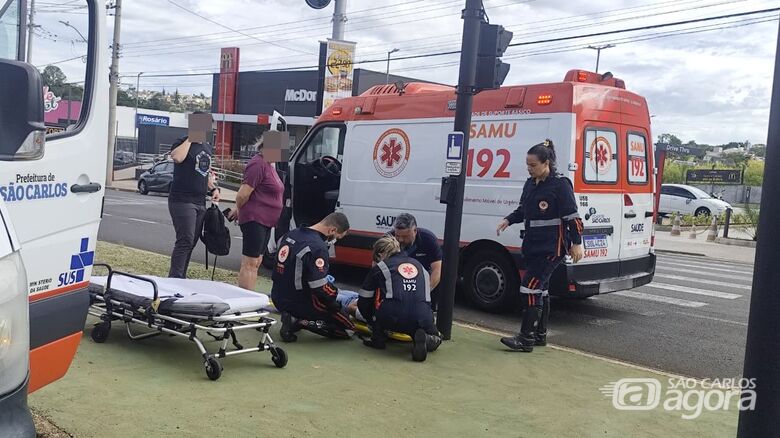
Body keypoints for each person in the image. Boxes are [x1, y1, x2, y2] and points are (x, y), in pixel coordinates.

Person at [496, 139, 584, 352]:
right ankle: (539, 336)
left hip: (552, 248)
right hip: (533, 246)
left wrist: (577, 243)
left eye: (533, 165)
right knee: (540, 291)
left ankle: (525, 339)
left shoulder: (560, 185)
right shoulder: (530, 183)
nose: (529, 168)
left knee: (529, 287)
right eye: (527, 164)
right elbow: (523, 210)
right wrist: (508, 219)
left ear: (546, 163)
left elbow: (573, 217)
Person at [271, 212, 355, 342]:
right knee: (348, 329)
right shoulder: (318, 247)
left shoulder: (290, 234)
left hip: (278, 296)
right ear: (332, 230)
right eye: (337, 237)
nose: (334, 241)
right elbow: (319, 287)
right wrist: (334, 301)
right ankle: (301, 321)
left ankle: (294, 318)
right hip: (300, 301)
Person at [358, 236, 442, 362]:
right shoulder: (419, 266)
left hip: (392, 316)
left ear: (380, 254)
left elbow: (364, 299)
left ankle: (378, 339)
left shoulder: (381, 267)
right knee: (431, 332)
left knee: (383, 311)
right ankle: (427, 338)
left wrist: (371, 320)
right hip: (423, 316)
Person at [227, 136, 284, 290]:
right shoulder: (258, 164)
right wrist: (239, 209)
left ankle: (249, 294)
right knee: (250, 262)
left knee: (257, 261)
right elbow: (243, 194)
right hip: (255, 219)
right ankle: (245, 296)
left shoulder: (269, 166)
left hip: (267, 221)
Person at [167, 135, 219, 278]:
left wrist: (213, 189)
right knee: (186, 239)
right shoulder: (181, 142)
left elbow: (204, 172)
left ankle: (181, 276)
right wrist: (190, 139)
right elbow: (177, 157)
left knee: (192, 242)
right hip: (182, 200)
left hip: (200, 201)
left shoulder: (207, 147)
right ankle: (175, 279)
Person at [389, 213, 443, 308]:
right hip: (396, 281)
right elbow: (376, 266)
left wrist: (425, 292)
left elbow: (438, 269)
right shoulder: (388, 239)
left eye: (405, 236)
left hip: (421, 281)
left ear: (415, 231)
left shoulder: (428, 239)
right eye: (397, 236)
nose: (400, 240)